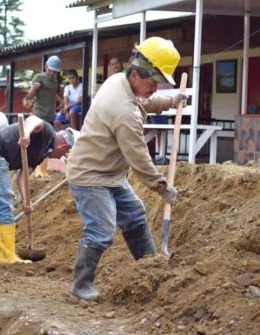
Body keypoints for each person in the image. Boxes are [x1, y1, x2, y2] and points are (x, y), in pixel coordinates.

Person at [67, 37, 186, 301]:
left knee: (134, 214)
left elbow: (145, 101)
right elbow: (139, 159)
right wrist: (161, 187)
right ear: (135, 74)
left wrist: (171, 100)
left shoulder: (119, 83)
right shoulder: (123, 111)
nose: (154, 89)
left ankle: (149, 268)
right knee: (101, 230)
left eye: (158, 85)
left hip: (110, 174)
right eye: (152, 83)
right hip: (90, 175)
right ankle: (80, 283)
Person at [0, 116, 79, 264]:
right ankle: (7, 257)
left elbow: (23, 177)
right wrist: (26, 134)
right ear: (64, 147)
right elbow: (33, 120)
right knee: (3, 205)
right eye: (63, 156)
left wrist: (26, 202)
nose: (59, 158)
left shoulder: (41, 155)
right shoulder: (48, 132)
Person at [23, 55, 63, 178]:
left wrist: (61, 102)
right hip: (39, 115)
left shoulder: (55, 81)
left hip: (50, 116)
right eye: (51, 70)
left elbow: (53, 93)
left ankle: (42, 170)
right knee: (36, 142)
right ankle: (32, 168)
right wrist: (34, 89)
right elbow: (29, 97)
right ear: (46, 66)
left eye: (55, 71)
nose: (52, 73)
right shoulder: (39, 77)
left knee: (47, 144)